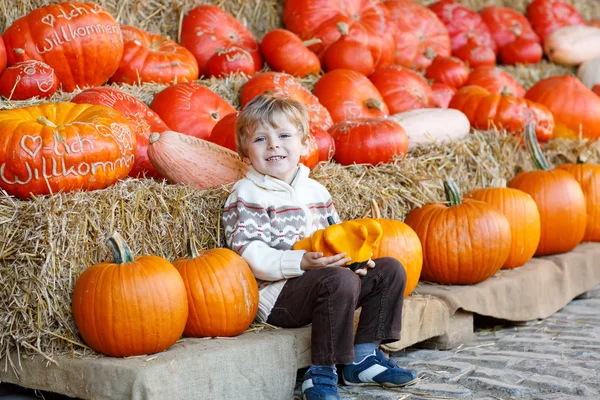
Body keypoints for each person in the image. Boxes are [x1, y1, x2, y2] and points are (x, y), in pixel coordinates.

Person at [222, 93, 417, 400]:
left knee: (389, 269)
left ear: (304, 143)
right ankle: (322, 370)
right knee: (337, 279)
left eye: (284, 135)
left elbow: (335, 236)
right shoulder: (247, 194)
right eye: (261, 139)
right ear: (245, 149)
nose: (273, 145)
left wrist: (354, 262)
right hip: (278, 297)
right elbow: (250, 253)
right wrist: (301, 262)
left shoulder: (316, 190)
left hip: (328, 285)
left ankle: (363, 357)